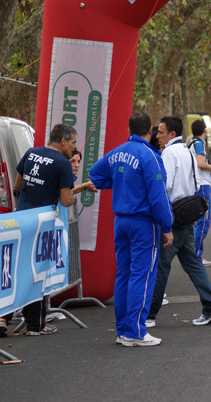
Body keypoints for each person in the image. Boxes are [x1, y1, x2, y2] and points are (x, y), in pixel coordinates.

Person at [89, 113, 173, 347]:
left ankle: (124, 330)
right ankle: (136, 331)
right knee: (142, 275)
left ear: (130, 129)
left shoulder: (117, 152)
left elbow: (95, 174)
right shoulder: (149, 156)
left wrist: (117, 183)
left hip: (121, 221)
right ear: (151, 131)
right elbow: (159, 197)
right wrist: (166, 227)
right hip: (143, 223)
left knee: (124, 274)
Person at [146, 116, 211, 329]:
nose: (157, 136)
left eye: (161, 132)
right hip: (187, 214)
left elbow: (165, 186)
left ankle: (149, 315)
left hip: (173, 216)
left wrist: (161, 218)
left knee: (161, 265)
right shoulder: (188, 151)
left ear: (172, 134)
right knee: (192, 263)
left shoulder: (169, 153)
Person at [10, 123, 77, 337]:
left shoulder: (31, 153)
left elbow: (18, 183)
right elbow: (66, 201)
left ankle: (28, 321)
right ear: (63, 141)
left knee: (24, 269)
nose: (74, 148)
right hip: (42, 223)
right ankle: (35, 325)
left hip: (22, 218)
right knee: (38, 271)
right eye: (73, 143)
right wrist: (74, 196)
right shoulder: (63, 164)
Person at [190, 119, 211, 266]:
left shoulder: (191, 142)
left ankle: (194, 254)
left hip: (200, 183)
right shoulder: (198, 143)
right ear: (204, 131)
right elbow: (200, 164)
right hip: (202, 186)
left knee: (198, 221)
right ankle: (196, 256)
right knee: (203, 221)